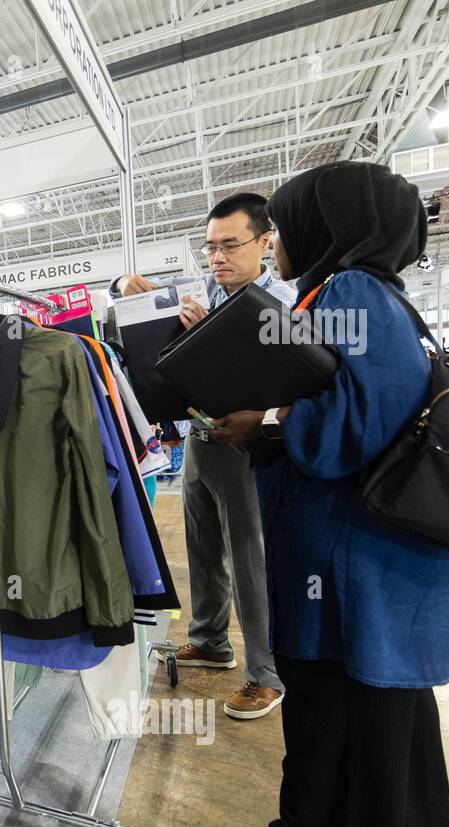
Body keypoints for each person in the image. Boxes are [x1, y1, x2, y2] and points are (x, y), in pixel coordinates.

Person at [203, 161, 449, 827]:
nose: (278, 242)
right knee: (385, 715)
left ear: (331, 227)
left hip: (352, 562)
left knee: (325, 709)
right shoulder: (378, 294)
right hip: (376, 562)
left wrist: (269, 421)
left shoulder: (349, 293)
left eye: (284, 227)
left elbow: (361, 421)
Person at [112, 194, 296, 719]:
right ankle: (211, 639)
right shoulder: (206, 291)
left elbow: (287, 383)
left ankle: (267, 673)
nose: (217, 257)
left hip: (247, 446)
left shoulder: (281, 302)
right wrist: (125, 285)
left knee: (250, 560)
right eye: (210, 247)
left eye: (230, 245)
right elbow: (130, 306)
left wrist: (207, 340)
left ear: (265, 242)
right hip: (200, 439)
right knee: (202, 548)